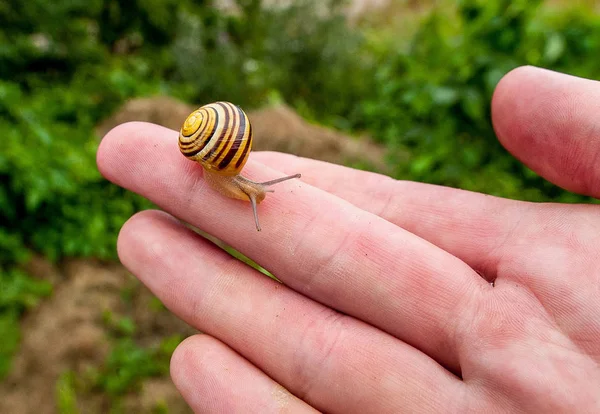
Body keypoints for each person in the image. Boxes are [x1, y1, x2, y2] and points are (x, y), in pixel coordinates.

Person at [97, 66, 600, 413]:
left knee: (256, 193)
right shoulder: (209, 160)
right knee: (251, 193)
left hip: (218, 147)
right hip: (215, 148)